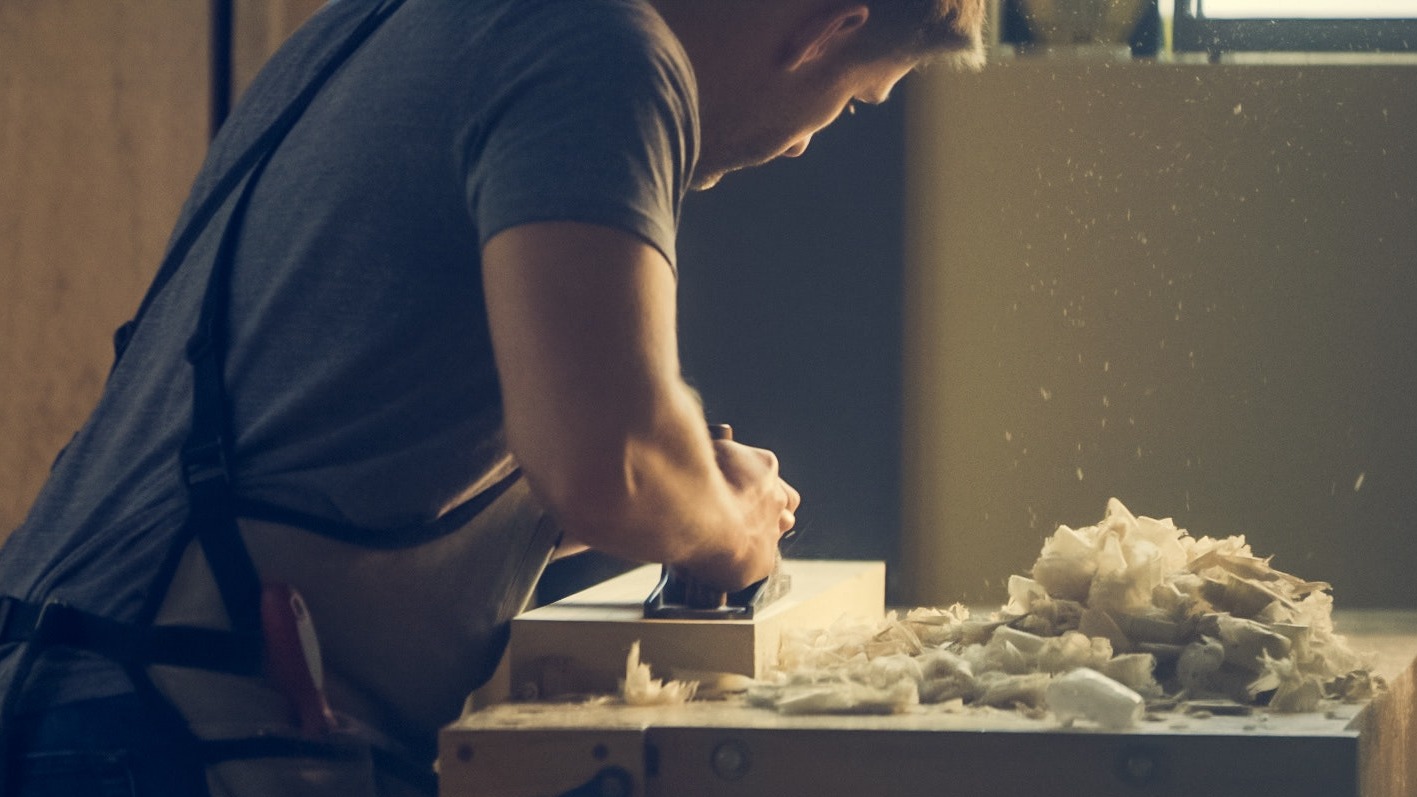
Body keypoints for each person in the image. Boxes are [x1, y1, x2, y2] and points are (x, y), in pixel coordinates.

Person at [0, 0, 983, 794]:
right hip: (146, 734)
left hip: (71, 699)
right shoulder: (602, 47)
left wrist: (673, 484)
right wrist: (733, 528)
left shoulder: (394, 24)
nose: (810, 142)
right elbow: (612, 462)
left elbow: (352, 456)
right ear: (828, 26)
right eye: (854, 102)